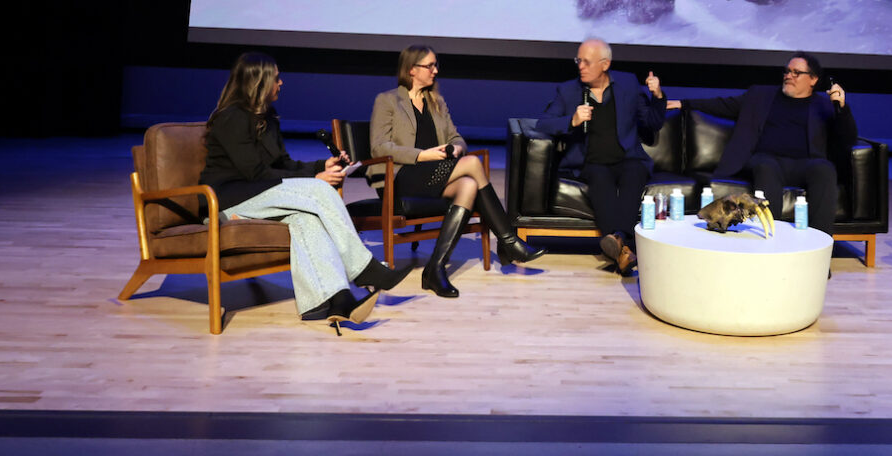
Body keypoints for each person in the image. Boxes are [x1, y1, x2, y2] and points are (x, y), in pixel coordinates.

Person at [199, 52, 413, 330]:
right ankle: (364, 269)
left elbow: (283, 164)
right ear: (259, 82)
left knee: (306, 220)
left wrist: (319, 166)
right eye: (276, 78)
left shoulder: (266, 118)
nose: (281, 83)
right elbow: (254, 172)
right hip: (229, 200)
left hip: (262, 194)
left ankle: (334, 299)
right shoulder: (232, 118)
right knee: (318, 190)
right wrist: (317, 178)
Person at [370, 44, 545, 298]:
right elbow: (379, 147)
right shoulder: (387, 100)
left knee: (469, 185)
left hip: (435, 173)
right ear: (411, 69)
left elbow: (457, 137)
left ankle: (435, 267)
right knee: (474, 165)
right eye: (429, 66)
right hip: (401, 176)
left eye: (435, 65)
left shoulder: (436, 101)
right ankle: (509, 241)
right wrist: (423, 155)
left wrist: (454, 149)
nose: (435, 70)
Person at [665, 51, 856, 237]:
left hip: (805, 163)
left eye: (796, 73)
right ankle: (772, 241)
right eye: (787, 71)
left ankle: (819, 248)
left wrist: (842, 109)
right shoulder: (761, 96)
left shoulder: (823, 105)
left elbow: (847, 139)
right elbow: (723, 104)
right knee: (766, 167)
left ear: (813, 79)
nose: (789, 76)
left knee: (824, 169)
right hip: (767, 160)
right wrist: (684, 103)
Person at [536, 38, 667, 275]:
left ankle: (617, 244)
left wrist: (658, 96)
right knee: (600, 180)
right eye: (578, 60)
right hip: (592, 162)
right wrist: (572, 120)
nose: (580, 66)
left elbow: (651, 122)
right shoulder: (568, 90)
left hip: (628, 158)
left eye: (586, 62)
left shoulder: (627, 84)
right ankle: (624, 246)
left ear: (605, 64)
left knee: (635, 173)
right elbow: (542, 124)